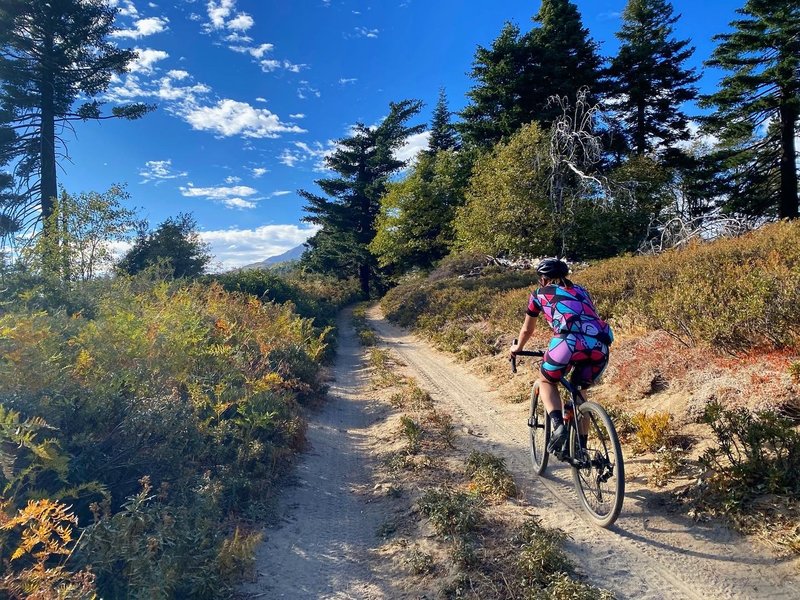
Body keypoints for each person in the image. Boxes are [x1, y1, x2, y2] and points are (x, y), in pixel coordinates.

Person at [509, 258, 612, 457]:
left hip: (567, 343)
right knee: (580, 392)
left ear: (543, 279)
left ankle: (558, 426)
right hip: (600, 346)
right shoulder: (582, 291)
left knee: (546, 381)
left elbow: (527, 329)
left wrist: (517, 348)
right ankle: (580, 448)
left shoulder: (539, 294)